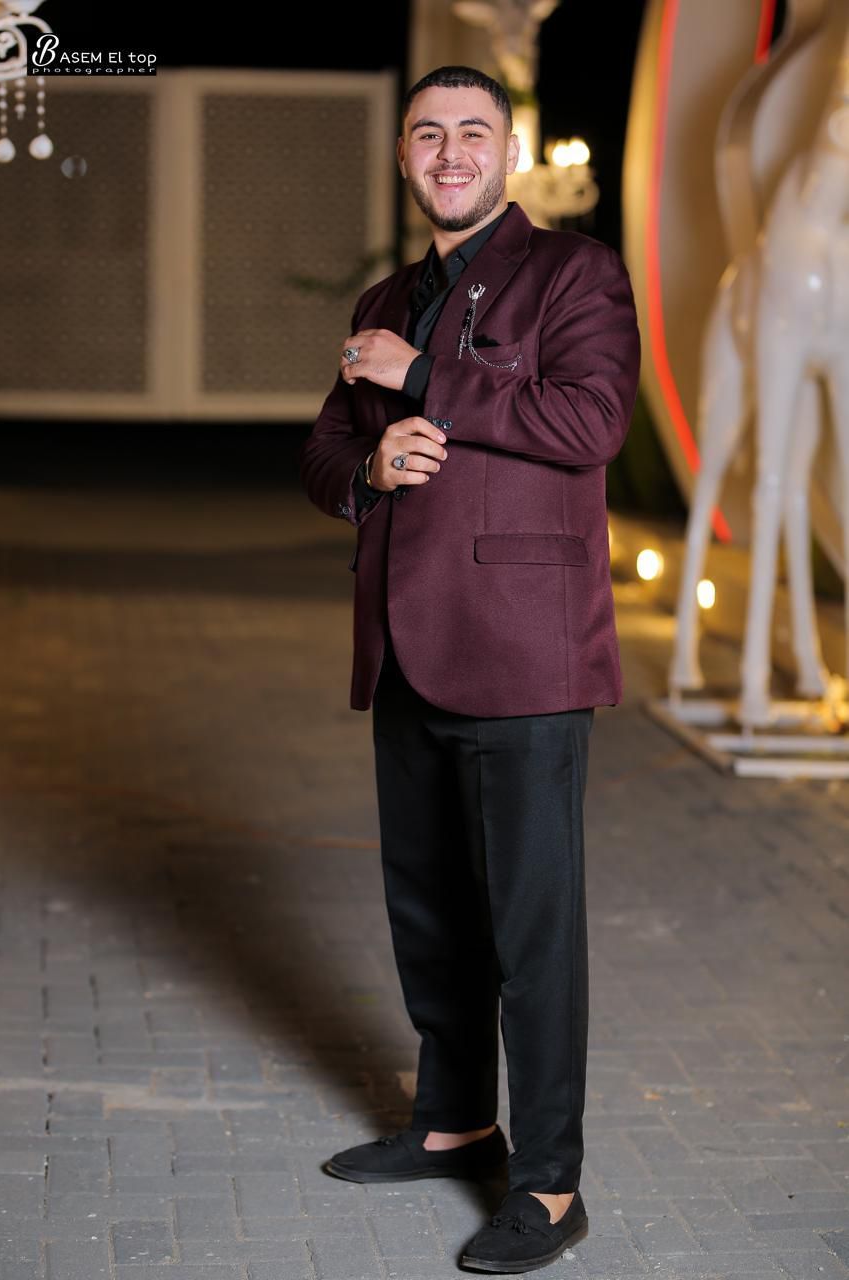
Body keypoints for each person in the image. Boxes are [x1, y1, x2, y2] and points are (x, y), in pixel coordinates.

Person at [298, 64, 640, 1274]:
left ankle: (549, 1183)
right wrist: (369, 465)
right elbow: (323, 450)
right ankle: (453, 1121)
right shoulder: (385, 297)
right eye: (428, 133)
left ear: (509, 151)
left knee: (529, 930)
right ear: (404, 154)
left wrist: (423, 378)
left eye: (472, 132)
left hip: (524, 651)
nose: (450, 153)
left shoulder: (576, 274)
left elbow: (590, 420)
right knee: (430, 909)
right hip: (403, 643)